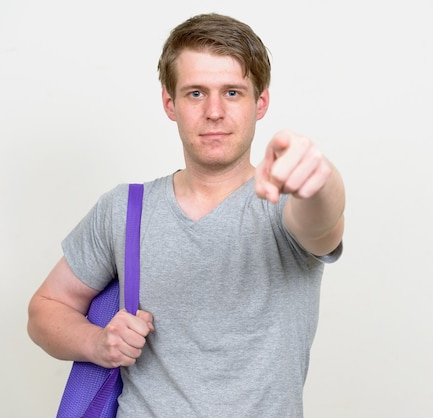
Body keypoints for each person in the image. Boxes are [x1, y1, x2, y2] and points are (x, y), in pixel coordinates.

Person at [27, 13, 345, 417]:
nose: (214, 111)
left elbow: (325, 223)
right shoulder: (125, 209)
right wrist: (96, 342)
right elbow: (45, 308)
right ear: (169, 102)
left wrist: (321, 178)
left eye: (232, 92)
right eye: (196, 93)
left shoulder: (287, 206)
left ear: (260, 102)